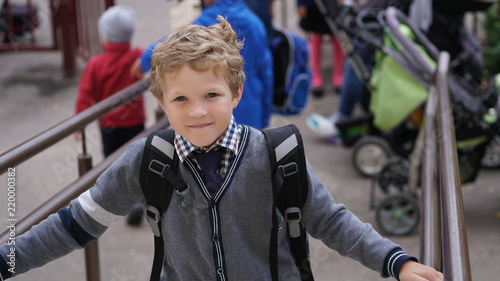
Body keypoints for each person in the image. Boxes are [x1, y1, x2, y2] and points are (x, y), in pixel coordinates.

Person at [0, 17, 444, 281]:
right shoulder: (146, 161)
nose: (197, 112)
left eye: (211, 95)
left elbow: (330, 220)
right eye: (180, 99)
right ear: (160, 103)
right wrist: (8, 259)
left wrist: (395, 261)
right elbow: (75, 224)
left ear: (236, 92)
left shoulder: (276, 156)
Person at [132, 0, 273, 130]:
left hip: (212, 112)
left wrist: (144, 61)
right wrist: (265, 117)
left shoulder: (211, 21)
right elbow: (266, 74)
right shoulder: (255, 22)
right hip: (251, 108)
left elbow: (178, 42)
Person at [74, 5, 145, 157]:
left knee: (112, 162)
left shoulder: (95, 64)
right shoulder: (137, 57)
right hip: (135, 120)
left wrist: (78, 124)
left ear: (104, 37)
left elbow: (85, 96)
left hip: (109, 124)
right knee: (138, 158)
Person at [297, 0, 345, 97]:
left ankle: (338, 76)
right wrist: (301, 4)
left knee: (337, 35)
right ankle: (316, 77)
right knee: (315, 36)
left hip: (333, 5)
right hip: (315, 5)